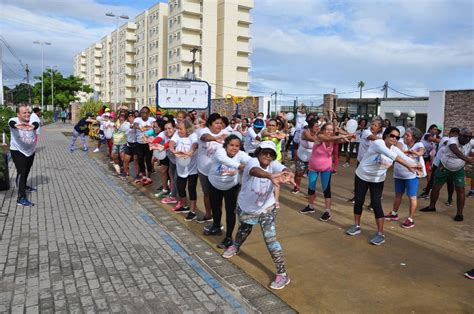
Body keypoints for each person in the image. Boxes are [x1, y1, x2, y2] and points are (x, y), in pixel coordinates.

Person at [222, 141, 296, 290]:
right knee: (244, 229)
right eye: (264, 152)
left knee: (270, 239)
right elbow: (255, 171)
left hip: (266, 208)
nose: (267, 156)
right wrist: (270, 176)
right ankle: (236, 246)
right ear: (258, 152)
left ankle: (282, 273)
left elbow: (282, 169)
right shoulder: (252, 162)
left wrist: (288, 172)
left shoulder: (274, 164)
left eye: (271, 154)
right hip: (247, 206)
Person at [345, 126, 421, 246]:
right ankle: (356, 225)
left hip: (377, 179)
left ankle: (380, 234)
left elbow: (405, 157)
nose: (394, 138)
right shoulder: (378, 143)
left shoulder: (394, 149)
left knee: (376, 203)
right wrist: (408, 166)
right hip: (362, 176)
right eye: (392, 136)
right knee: (359, 200)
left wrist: (416, 165)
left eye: (397, 137)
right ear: (385, 135)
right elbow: (392, 156)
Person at [205, 135, 251, 249]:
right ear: (226, 145)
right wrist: (239, 166)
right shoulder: (220, 152)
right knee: (215, 207)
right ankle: (216, 226)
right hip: (214, 183)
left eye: (237, 146)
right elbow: (223, 160)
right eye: (231, 145)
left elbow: (251, 162)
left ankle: (229, 237)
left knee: (230, 211)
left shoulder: (240, 154)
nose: (234, 148)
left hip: (231, 186)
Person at [300, 122, 353, 220]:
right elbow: (328, 138)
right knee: (311, 187)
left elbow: (343, 140)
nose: (329, 131)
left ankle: (327, 211)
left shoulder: (333, 140)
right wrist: (341, 136)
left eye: (331, 130)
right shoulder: (319, 136)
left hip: (326, 168)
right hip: (313, 167)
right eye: (327, 129)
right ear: (323, 130)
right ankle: (310, 206)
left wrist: (350, 136)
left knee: (326, 189)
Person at [420, 128, 473, 221]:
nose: (467, 139)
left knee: (461, 190)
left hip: (458, 169)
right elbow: (456, 152)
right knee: (436, 187)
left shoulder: (470, 142)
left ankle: (459, 214)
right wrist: (468, 159)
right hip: (444, 167)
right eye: (465, 136)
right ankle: (432, 206)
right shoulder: (452, 140)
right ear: (459, 135)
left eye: (470, 137)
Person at [384, 127, 425, 228]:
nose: (405, 136)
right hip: (399, 174)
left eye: (408, 135)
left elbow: (421, 151)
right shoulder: (401, 141)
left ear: (414, 138)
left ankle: (410, 219)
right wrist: (407, 153)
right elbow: (399, 148)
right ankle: (394, 213)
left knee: (412, 197)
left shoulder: (418, 144)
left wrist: (417, 153)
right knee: (398, 195)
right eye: (405, 134)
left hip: (411, 175)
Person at [197, 113, 227, 223]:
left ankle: (217, 217)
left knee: (218, 195)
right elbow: (204, 137)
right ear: (210, 124)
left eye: (220, 123)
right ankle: (208, 213)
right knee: (207, 193)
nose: (219, 125)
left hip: (219, 171)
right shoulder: (203, 131)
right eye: (216, 123)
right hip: (203, 170)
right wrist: (215, 138)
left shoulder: (225, 134)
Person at [9, 104, 40, 206]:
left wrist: (33, 126)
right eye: (24, 113)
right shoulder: (14, 120)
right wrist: (16, 126)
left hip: (30, 151)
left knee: (27, 170)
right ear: (18, 114)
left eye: (28, 112)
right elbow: (11, 123)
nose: (27, 114)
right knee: (22, 172)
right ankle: (21, 198)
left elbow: (36, 124)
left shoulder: (33, 120)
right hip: (17, 151)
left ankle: (24, 186)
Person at [169, 120, 199, 221]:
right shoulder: (177, 134)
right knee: (180, 186)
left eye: (181, 129)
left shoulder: (193, 135)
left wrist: (191, 151)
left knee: (191, 188)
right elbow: (172, 142)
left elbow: (195, 144)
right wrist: (172, 150)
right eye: (178, 128)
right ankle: (184, 205)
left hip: (192, 168)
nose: (179, 130)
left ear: (187, 129)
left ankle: (192, 211)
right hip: (181, 166)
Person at [422, 128, 460, 205]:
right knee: (433, 179)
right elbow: (450, 144)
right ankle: (426, 193)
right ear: (450, 133)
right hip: (437, 163)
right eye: (453, 133)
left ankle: (449, 199)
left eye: (456, 134)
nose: (454, 135)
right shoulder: (445, 139)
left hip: (448, 165)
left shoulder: (457, 143)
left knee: (450, 182)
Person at [292, 120, 318, 194]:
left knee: (312, 176)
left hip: (312, 158)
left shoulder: (318, 133)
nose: (317, 128)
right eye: (316, 126)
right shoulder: (305, 132)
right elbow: (311, 138)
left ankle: (311, 191)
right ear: (310, 127)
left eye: (318, 126)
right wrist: (322, 138)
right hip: (301, 156)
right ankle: (296, 187)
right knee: (299, 174)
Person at [133, 106, 156, 185]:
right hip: (139, 143)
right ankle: (143, 175)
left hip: (148, 143)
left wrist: (150, 126)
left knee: (148, 160)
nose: (144, 114)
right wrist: (139, 128)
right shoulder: (138, 119)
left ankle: (149, 176)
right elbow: (135, 124)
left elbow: (154, 125)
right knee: (140, 160)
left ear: (149, 113)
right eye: (142, 112)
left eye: (146, 113)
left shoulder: (151, 119)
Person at [419, 124, 442, 197]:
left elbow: (437, 139)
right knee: (418, 171)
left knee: (429, 172)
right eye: (434, 129)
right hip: (419, 156)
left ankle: (428, 188)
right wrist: (444, 141)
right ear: (430, 130)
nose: (436, 131)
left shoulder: (435, 136)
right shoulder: (427, 135)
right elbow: (433, 139)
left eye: (436, 130)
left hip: (426, 157)